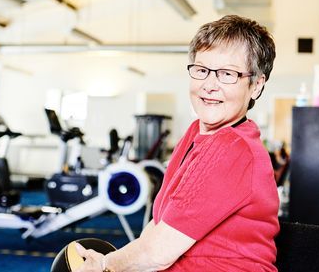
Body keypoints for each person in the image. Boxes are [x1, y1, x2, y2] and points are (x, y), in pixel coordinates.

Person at [76, 15, 279, 271]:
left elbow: (157, 253)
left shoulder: (233, 148)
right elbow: (159, 228)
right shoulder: (196, 135)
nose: (209, 85)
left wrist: (105, 266)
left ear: (256, 85)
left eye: (227, 74)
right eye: (202, 70)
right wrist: (106, 262)